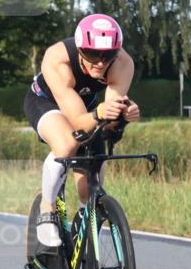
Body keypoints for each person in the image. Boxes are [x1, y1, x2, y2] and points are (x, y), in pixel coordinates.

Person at [23, 14, 141, 247]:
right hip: (46, 102)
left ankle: (82, 250)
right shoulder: (58, 59)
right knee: (67, 144)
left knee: (90, 188)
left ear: (116, 52)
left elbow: (107, 122)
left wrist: (122, 116)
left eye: (107, 55)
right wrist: (100, 114)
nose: (100, 62)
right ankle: (47, 210)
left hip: (87, 106)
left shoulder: (123, 64)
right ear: (79, 50)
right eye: (92, 55)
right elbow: (78, 122)